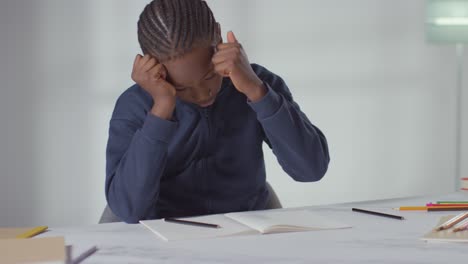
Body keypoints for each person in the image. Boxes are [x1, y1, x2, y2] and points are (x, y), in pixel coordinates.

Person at [105, 0, 330, 224]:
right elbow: (129, 210)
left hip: (246, 229)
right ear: (151, 65)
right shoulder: (134, 105)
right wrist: (162, 108)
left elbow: (311, 169)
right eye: (181, 88)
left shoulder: (259, 83)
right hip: (165, 236)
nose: (203, 95)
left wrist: (257, 92)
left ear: (219, 38)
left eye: (210, 76)